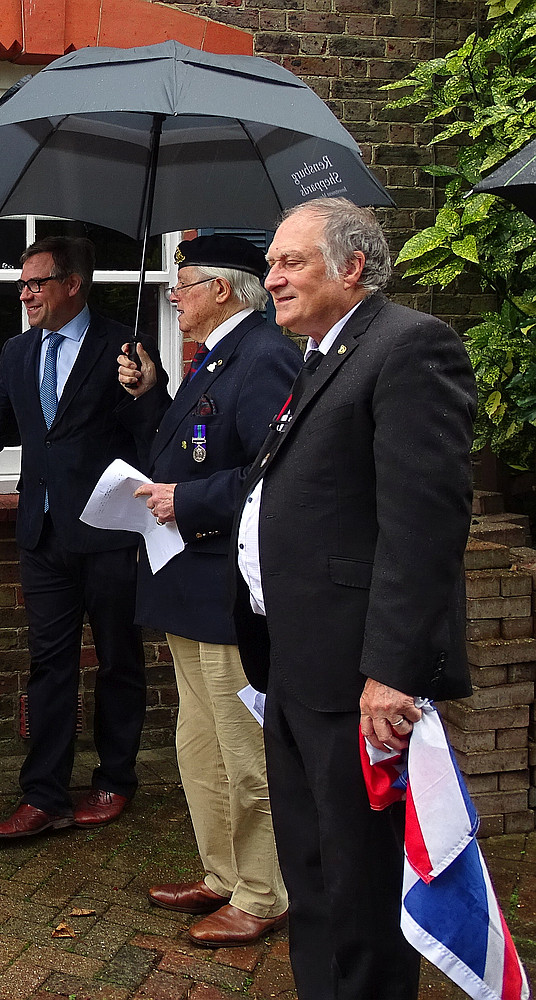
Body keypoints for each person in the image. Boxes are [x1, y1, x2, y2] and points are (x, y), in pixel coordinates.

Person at [233, 198, 476, 999]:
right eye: (271, 263)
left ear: (353, 267)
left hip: (357, 678)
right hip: (296, 666)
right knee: (310, 872)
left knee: (361, 885)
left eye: (290, 262)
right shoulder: (316, 355)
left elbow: (423, 526)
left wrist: (393, 674)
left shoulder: (411, 348)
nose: (271, 279)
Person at [0, 236, 167, 840]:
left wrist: (147, 390)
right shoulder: (18, 352)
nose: (25, 295)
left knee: (120, 660)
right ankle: (43, 794)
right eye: (21, 284)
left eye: (36, 283)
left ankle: (114, 780)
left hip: (109, 532)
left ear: (72, 284)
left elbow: (158, 435)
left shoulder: (121, 349)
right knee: (49, 664)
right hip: (42, 534)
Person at [117, 235, 298, 947]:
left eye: (183, 281)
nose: (173, 294)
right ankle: (223, 874)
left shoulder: (264, 355)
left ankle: (263, 892)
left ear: (222, 288)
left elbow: (273, 472)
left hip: (225, 590)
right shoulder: (218, 356)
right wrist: (152, 392)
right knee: (199, 743)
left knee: (241, 748)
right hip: (185, 585)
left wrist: (185, 503)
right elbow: (195, 441)